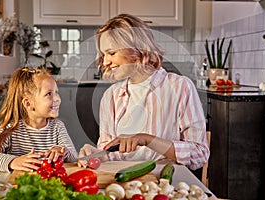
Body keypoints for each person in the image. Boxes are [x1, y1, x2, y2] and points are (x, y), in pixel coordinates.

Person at [78, 13, 209, 170]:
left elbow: (199, 154)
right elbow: (110, 153)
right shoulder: (111, 96)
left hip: (164, 182)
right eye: (103, 54)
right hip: (122, 179)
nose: (105, 61)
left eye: (112, 53)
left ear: (136, 48)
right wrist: (96, 154)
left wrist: (147, 140)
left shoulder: (180, 87)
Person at [0, 67, 78, 172]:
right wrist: (13, 161)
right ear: (28, 103)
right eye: (49, 94)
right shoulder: (12, 129)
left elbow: (75, 158)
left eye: (56, 92)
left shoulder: (57, 127)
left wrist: (63, 152)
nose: (57, 99)